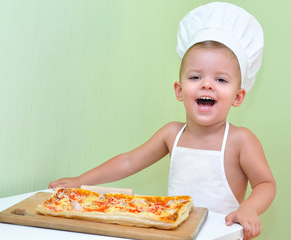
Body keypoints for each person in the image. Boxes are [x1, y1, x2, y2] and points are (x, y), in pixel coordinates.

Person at [49, 2, 276, 239]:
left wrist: (249, 208)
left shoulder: (241, 140)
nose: (206, 84)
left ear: (238, 97)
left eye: (221, 80)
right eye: (196, 76)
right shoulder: (172, 134)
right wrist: (80, 182)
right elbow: (129, 161)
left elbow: (265, 184)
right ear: (179, 90)